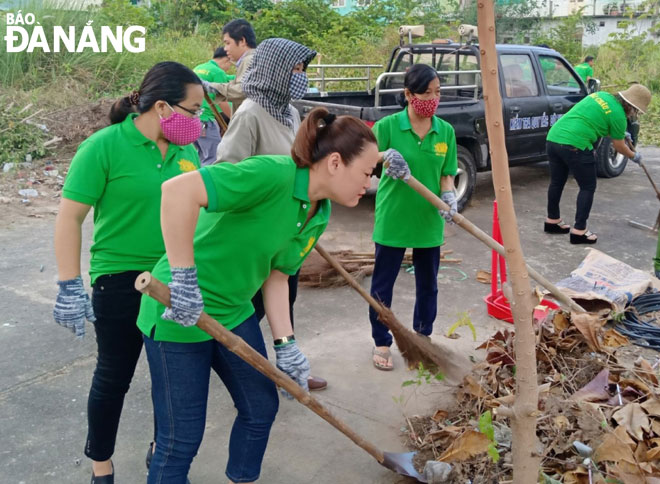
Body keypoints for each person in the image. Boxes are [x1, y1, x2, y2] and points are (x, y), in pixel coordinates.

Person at [136, 107, 410, 483]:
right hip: (178, 309)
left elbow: (278, 276)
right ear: (334, 163)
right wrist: (183, 279)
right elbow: (177, 191)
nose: (369, 183)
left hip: (232, 310)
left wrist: (286, 344)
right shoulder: (271, 174)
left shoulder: (319, 212)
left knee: (260, 406)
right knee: (180, 439)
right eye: (365, 173)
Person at [53, 61, 203, 484]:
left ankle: (163, 455)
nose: (199, 121)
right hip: (119, 278)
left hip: (173, 278)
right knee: (114, 375)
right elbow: (70, 217)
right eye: (193, 111)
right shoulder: (103, 147)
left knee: (169, 381)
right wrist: (68, 283)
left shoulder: (185, 152)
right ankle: (102, 465)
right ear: (162, 107)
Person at [214, 38, 329, 390]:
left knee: (285, 295)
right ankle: (238, 367)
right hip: (257, 233)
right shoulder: (250, 114)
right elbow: (226, 171)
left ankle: (287, 363)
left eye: (302, 70)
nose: (301, 77)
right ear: (277, 71)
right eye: (295, 69)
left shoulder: (289, 112)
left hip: (286, 230)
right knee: (251, 306)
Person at [368, 64, 458, 371]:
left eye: (437, 93)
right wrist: (384, 155)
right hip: (394, 217)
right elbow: (364, 158)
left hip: (427, 220)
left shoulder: (444, 131)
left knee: (428, 284)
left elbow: (447, 174)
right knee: (383, 285)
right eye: (426, 92)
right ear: (408, 94)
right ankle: (382, 341)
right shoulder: (389, 126)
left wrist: (449, 196)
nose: (432, 99)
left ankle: (422, 337)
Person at [544, 83, 651, 244]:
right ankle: (579, 231)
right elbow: (619, 146)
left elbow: (596, 121)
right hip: (576, 145)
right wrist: (634, 156)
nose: (634, 114)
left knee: (557, 182)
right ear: (631, 106)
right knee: (588, 187)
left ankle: (552, 221)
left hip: (554, 138)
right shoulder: (619, 116)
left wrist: (619, 132)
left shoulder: (601, 96)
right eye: (635, 111)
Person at [204, 18, 256, 115]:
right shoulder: (250, 60)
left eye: (228, 43)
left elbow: (244, 90)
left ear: (242, 41)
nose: (225, 48)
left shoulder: (250, 60)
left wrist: (211, 87)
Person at [193, 47, 235, 165]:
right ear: (227, 60)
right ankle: (205, 183)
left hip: (193, 119)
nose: (228, 69)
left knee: (200, 156)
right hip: (206, 121)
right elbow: (222, 101)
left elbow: (228, 79)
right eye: (229, 65)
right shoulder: (218, 72)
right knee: (213, 157)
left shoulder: (199, 68)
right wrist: (235, 119)